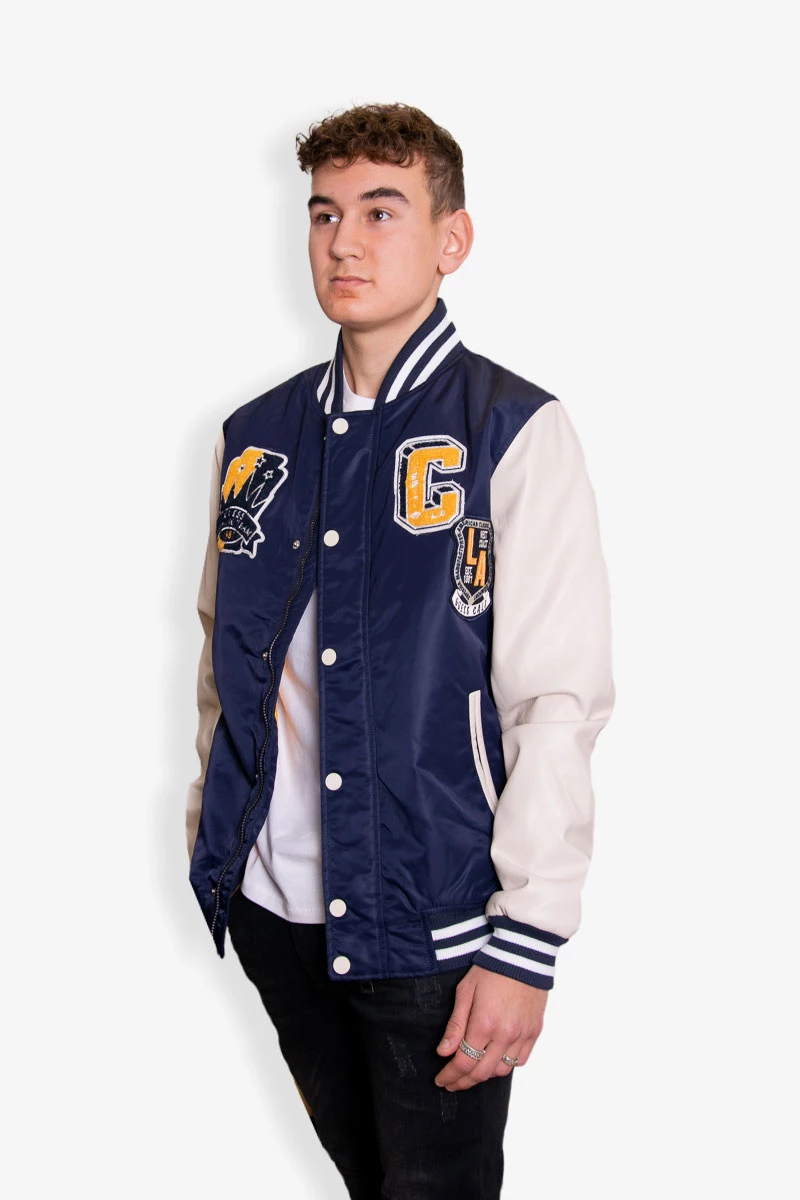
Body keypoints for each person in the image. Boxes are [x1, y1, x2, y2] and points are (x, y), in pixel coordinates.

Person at [186, 101, 615, 1199]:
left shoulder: (511, 429)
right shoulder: (255, 437)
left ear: (450, 239)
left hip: (437, 928)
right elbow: (225, 657)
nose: (344, 242)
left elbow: (555, 700)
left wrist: (526, 939)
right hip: (276, 915)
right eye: (324, 213)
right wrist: (213, 834)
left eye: (381, 212)